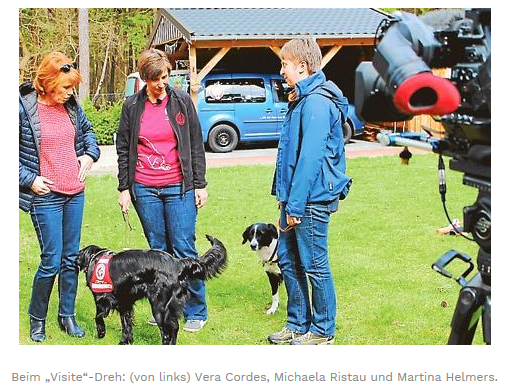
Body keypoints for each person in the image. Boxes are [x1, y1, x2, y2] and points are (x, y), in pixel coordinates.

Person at [116, 49, 209, 332]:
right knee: (157, 252)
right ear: (145, 78)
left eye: (165, 77)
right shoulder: (132, 106)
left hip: (179, 187)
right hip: (144, 188)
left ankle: (196, 310)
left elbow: (195, 143)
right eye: (155, 79)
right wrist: (124, 188)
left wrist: (200, 184)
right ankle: (163, 308)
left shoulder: (181, 101)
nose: (161, 83)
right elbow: (123, 149)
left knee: (183, 248)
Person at [268, 39, 352, 345]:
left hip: (310, 200)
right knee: (289, 261)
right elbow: (289, 155)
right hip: (293, 198)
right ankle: (297, 323)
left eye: (285, 65)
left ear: (303, 67)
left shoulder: (317, 102)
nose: (281, 71)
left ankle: (322, 331)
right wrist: (283, 195)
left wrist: (295, 206)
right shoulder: (300, 99)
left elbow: (310, 158)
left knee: (315, 264)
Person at [19, 51, 100, 342]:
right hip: (46, 196)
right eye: (65, 87)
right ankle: (37, 319)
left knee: (70, 260)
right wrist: (29, 180)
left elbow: (89, 133)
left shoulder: (72, 107)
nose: (70, 92)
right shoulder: (22, 108)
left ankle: (67, 316)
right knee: (51, 260)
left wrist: (89, 155)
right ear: (48, 82)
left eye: (72, 87)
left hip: (75, 194)